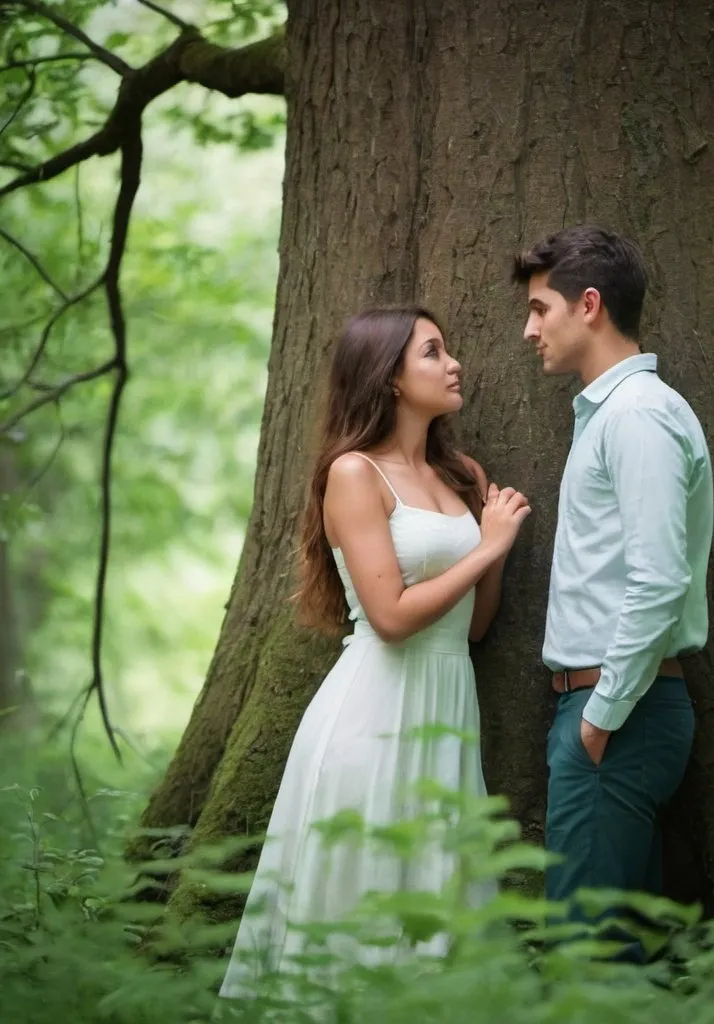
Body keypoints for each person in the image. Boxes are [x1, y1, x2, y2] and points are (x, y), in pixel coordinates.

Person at [219, 306, 530, 999]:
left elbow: (475, 629)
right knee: (359, 906)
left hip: (448, 708)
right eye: (432, 353)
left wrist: (492, 549)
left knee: (440, 900)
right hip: (374, 713)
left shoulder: (462, 473)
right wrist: (487, 545)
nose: (454, 365)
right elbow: (389, 618)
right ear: (389, 378)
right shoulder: (355, 474)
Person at [512, 226, 713, 960]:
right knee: (614, 955)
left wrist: (598, 719)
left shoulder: (637, 417)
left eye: (541, 308)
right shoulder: (616, 415)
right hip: (612, 711)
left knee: (588, 962)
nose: (529, 328)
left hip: (619, 714)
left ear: (588, 304)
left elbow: (660, 578)